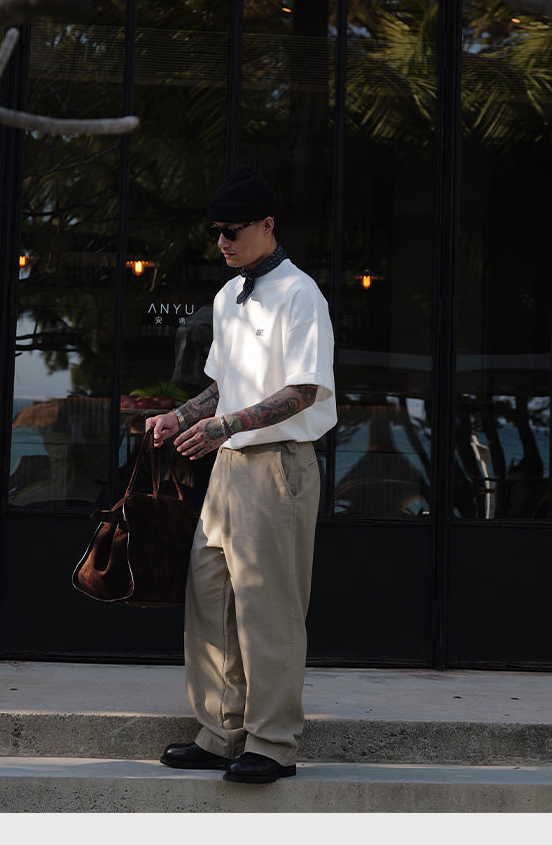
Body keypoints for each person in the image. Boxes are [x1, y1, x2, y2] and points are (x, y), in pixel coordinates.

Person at [146, 165, 337, 784]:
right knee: (210, 598)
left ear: (267, 226)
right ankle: (221, 731)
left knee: (269, 608)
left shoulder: (300, 293)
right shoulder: (228, 296)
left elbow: (306, 389)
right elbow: (223, 386)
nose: (223, 242)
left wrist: (227, 425)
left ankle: (274, 742)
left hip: (278, 467)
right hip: (226, 469)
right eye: (216, 232)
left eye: (233, 231)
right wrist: (180, 415)